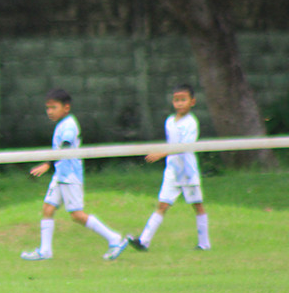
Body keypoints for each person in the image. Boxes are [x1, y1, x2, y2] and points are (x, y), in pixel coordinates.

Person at [20, 88, 128, 262]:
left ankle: (114, 238)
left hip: (70, 176)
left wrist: (48, 164)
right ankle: (45, 251)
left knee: (77, 215)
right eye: (48, 108)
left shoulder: (70, 124)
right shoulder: (61, 124)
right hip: (60, 175)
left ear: (66, 108)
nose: (50, 112)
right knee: (48, 209)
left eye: (53, 107)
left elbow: (65, 146)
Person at [128, 84, 211, 251]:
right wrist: (166, 155)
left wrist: (161, 153)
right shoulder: (170, 122)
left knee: (197, 205)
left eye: (183, 100)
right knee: (162, 205)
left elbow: (183, 146)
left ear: (192, 101)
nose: (179, 103)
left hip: (188, 172)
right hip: (173, 171)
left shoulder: (191, 123)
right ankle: (144, 242)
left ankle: (204, 243)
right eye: (176, 100)